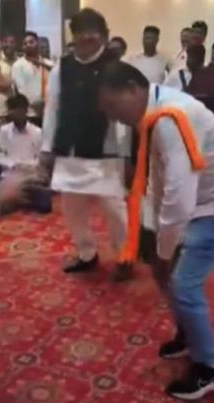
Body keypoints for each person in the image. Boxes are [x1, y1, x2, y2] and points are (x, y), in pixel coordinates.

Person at [98, 61, 214, 400]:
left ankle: (210, 369)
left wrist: (164, 249)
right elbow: (158, 177)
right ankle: (189, 333)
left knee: (183, 282)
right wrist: (152, 230)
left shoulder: (170, 117)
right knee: (163, 270)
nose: (112, 116)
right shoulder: (152, 112)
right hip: (202, 200)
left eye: (112, 105)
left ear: (132, 89)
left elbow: (179, 196)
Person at [40, 8, 132, 281]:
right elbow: (52, 110)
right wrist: (47, 149)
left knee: (115, 209)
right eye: (81, 31)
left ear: (103, 36)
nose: (86, 37)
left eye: (92, 31)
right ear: (74, 35)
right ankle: (87, 253)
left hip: (106, 152)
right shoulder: (61, 68)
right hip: (69, 150)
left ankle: (125, 255)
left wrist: (125, 154)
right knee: (72, 210)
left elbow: (124, 114)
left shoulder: (116, 68)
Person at [0, 94, 49, 213]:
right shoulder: (4, 131)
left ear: (25, 110)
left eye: (17, 110)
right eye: (11, 110)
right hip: (11, 172)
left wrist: (29, 165)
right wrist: (13, 165)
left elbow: (40, 157)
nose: (14, 113)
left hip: (31, 172)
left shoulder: (37, 132)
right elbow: (1, 156)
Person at [11, 31, 54, 124]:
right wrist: (35, 104)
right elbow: (21, 89)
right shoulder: (18, 65)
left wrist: (45, 103)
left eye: (31, 42)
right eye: (25, 43)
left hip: (48, 111)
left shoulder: (49, 64)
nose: (28, 45)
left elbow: (54, 87)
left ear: (38, 43)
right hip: (29, 113)